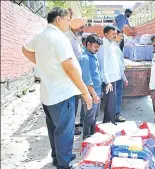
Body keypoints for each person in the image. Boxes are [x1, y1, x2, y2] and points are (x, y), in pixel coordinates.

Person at [22, 7, 92, 169]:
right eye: (68, 20)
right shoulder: (59, 38)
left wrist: (43, 64)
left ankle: (58, 157)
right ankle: (64, 164)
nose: (69, 23)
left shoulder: (41, 35)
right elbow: (69, 68)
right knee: (65, 131)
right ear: (59, 19)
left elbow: (25, 49)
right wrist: (85, 91)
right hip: (62, 93)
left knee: (54, 128)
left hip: (48, 94)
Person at [66, 17, 87, 135]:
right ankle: (70, 128)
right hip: (71, 76)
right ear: (75, 27)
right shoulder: (69, 38)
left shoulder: (74, 37)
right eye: (81, 27)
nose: (82, 29)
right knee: (72, 103)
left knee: (75, 103)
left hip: (75, 74)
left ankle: (72, 125)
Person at [79, 34, 103, 139]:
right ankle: (86, 138)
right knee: (89, 117)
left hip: (97, 92)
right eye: (95, 46)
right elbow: (87, 80)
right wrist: (94, 95)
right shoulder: (85, 58)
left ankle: (93, 137)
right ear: (88, 44)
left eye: (98, 47)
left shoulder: (92, 55)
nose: (97, 49)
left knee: (94, 116)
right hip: (90, 93)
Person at [97, 25, 122, 124]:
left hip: (113, 78)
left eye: (116, 34)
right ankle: (109, 123)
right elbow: (103, 65)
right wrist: (107, 81)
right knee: (110, 102)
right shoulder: (103, 46)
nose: (115, 36)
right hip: (108, 79)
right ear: (106, 34)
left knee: (111, 102)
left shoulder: (111, 44)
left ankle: (108, 123)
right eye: (113, 34)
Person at [113, 30, 129, 122]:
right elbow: (119, 65)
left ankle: (114, 114)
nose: (122, 38)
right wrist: (124, 78)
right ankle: (116, 114)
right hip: (117, 75)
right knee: (117, 96)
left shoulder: (115, 46)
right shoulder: (115, 48)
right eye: (120, 36)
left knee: (115, 96)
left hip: (116, 75)